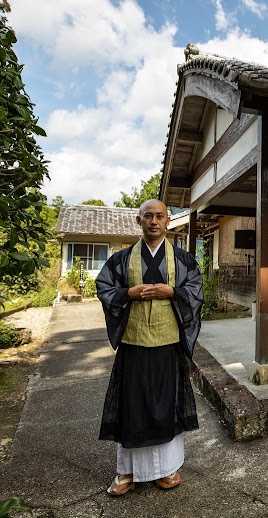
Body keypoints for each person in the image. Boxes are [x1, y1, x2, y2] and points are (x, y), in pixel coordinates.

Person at [95, 199, 203, 496]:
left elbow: (195, 291)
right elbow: (103, 287)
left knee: (165, 404)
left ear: (168, 221)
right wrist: (128, 293)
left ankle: (166, 469)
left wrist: (173, 291)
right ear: (138, 220)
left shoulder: (182, 259)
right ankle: (126, 471)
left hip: (167, 342)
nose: (153, 221)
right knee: (133, 404)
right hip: (134, 342)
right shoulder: (122, 259)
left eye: (159, 216)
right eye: (147, 217)